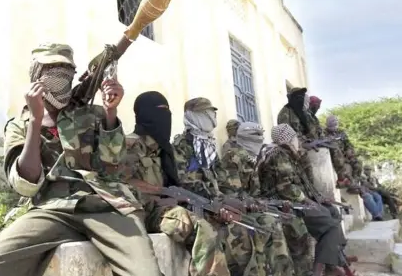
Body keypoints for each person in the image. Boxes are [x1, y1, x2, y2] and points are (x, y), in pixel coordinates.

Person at [0, 43, 162, 276]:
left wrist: (111, 113)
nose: (60, 77)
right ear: (36, 75)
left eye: (66, 70)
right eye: (51, 70)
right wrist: (35, 120)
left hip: (104, 205)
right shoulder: (19, 125)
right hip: (51, 209)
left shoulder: (92, 114)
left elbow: (114, 167)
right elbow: (26, 184)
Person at [173, 97, 289, 276]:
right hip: (202, 209)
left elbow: (224, 183)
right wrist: (220, 203)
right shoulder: (182, 147)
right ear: (193, 116)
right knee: (244, 235)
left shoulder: (208, 145)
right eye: (207, 113)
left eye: (212, 112)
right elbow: (186, 184)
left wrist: (238, 201)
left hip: (220, 206)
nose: (212, 117)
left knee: (268, 223)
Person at [123, 91, 231, 276]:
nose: (165, 117)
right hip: (140, 212)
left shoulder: (164, 149)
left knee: (217, 224)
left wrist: (212, 208)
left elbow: (179, 188)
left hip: (164, 210)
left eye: (167, 111)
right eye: (159, 111)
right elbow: (121, 182)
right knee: (198, 226)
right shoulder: (130, 145)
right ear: (145, 114)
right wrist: (162, 193)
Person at [257, 123, 355, 276]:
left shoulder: (288, 154)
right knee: (330, 226)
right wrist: (308, 201)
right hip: (285, 204)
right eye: (295, 137)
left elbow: (302, 183)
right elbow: (286, 188)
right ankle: (318, 270)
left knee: (333, 212)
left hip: (297, 201)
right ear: (289, 138)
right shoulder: (279, 155)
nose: (297, 140)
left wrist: (318, 198)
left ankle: (332, 263)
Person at [221, 121, 296, 276]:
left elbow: (255, 193)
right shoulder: (233, 157)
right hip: (234, 209)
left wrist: (266, 204)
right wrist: (251, 203)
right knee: (265, 226)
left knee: (276, 223)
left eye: (261, 136)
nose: (260, 140)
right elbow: (232, 193)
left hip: (249, 207)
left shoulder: (251, 158)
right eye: (256, 136)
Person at [324, 115, 384, 221]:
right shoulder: (324, 133)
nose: (335, 125)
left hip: (347, 157)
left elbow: (349, 144)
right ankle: (377, 215)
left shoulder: (341, 132)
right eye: (333, 123)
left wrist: (349, 151)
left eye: (336, 123)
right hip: (338, 160)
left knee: (357, 163)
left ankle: (377, 214)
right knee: (369, 195)